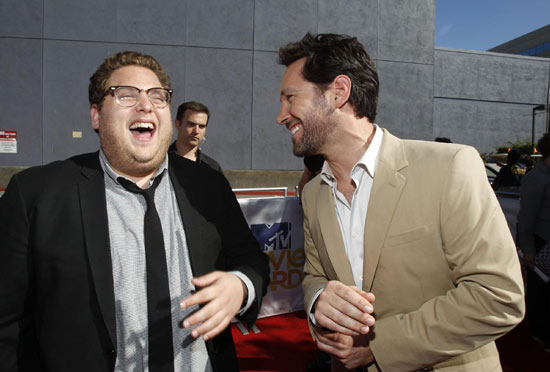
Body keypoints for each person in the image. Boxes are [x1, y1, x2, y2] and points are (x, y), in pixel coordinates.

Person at [0, 51, 270, 372]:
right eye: (125, 95)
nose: (145, 105)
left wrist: (240, 286)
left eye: (158, 97)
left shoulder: (208, 185)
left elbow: (252, 260)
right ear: (96, 116)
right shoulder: (36, 194)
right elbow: (8, 325)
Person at [276, 33, 524, 371]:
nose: (281, 115)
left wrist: (380, 347)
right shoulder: (313, 193)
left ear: (339, 92)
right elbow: (314, 275)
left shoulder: (450, 167)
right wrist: (320, 300)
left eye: (290, 97)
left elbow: (498, 296)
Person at [518, 133, 550, 351]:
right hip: (541, 244)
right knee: (540, 293)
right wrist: (528, 249)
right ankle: (540, 336)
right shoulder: (536, 179)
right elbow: (526, 217)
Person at [169, 101, 222, 172]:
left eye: (201, 126)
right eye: (191, 125)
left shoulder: (212, 167)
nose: (196, 131)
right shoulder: (160, 162)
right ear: (177, 124)